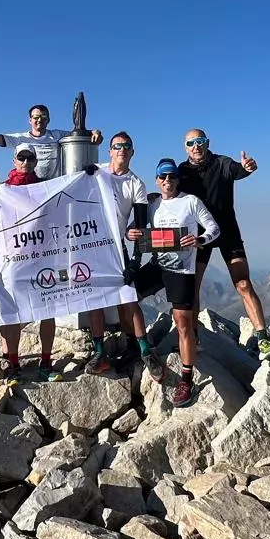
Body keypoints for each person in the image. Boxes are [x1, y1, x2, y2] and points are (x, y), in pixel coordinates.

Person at [127, 159, 220, 407]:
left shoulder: (191, 202)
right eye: (162, 176)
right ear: (157, 180)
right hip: (158, 265)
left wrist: (200, 239)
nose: (167, 180)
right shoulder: (152, 203)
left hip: (182, 269)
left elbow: (213, 228)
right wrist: (130, 233)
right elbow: (134, 228)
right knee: (127, 295)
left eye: (171, 176)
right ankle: (145, 348)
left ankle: (186, 379)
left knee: (183, 323)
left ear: (177, 178)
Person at [177, 128, 270, 358]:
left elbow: (237, 170)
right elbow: (172, 192)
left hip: (227, 231)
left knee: (242, 284)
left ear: (207, 142)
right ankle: (194, 337)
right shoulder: (182, 171)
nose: (196, 146)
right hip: (200, 236)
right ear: (185, 147)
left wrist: (246, 168)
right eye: (191, 143)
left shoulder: (221, 163)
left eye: (199, 141)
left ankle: (263, 339)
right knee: (192, 288)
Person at [83, 131, 160, 380]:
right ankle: (99, 351)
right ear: (110, 151)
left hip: (117, 248)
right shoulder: (96, 172)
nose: (121, 150)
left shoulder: (136, 184)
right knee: (96, 301)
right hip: (91, 245)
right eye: (117, 146)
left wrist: (136, 261)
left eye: (126, 146)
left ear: (132, 152)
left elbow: (139, 228)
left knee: (129, 299)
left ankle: (144, 350)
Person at [0, 149, 60, 383]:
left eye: (30, 158)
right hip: (14, 260)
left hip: (43, 257)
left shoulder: (45, 187)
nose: (25, 162)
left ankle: (46, 361)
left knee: (48, 311)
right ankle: (13, 364)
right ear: (14, 161)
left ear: (36, 161)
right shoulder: (2, 191)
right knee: (13, 312)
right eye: (21, 158)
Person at [0, 99, 102, 181]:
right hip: (29, 188)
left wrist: (95, 132)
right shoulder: (20, 139)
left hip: (54, 188)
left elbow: (80, 133)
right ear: (29, 120)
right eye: (35, 117)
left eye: (43, 117)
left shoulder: (58, 135)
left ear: (48, 120)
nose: (39, 120)